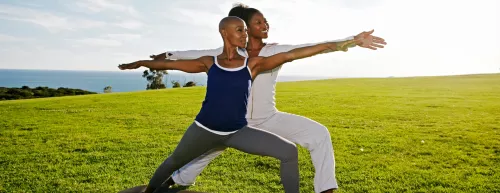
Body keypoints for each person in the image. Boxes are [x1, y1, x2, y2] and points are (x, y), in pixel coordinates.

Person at [119, 16, 377, 193]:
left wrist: (348, 41)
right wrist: (142, 63)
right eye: (240, 30)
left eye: (245, 29)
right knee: (172, 162)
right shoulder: (209, 62)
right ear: (224, 33)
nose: (245, 34)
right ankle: (150, 191)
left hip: (237, 132)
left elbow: (295, 53)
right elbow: (170, 65)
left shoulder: (253, 64)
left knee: (289, 152)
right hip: (203, 131)